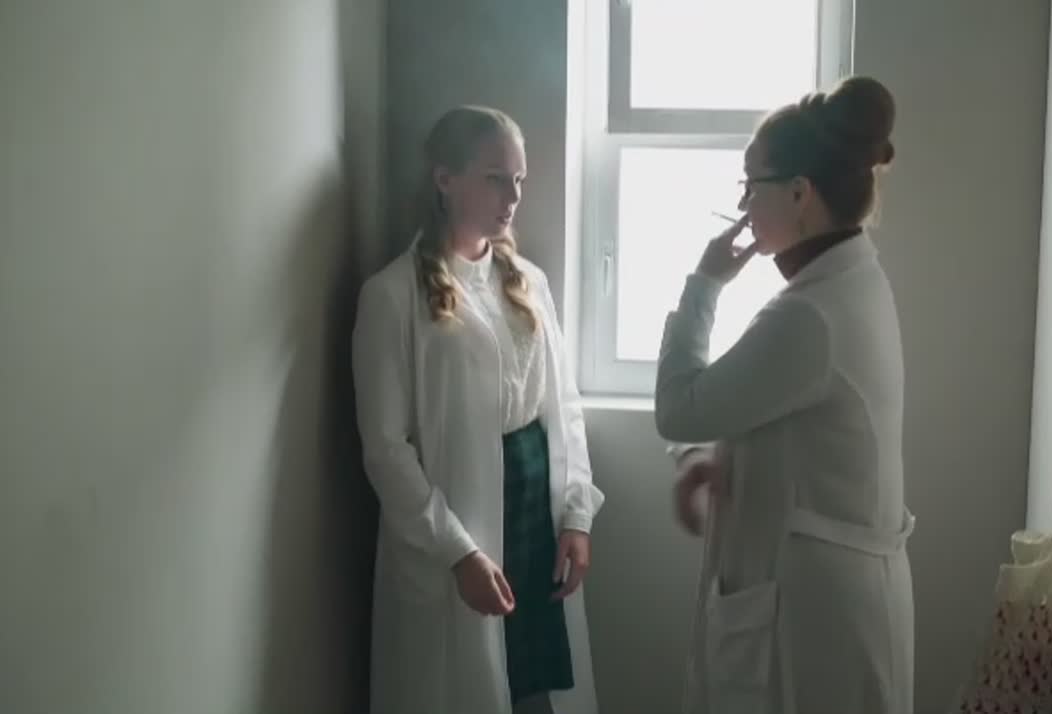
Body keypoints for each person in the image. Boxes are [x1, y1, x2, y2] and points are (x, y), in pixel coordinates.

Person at [654, 76, 915, 714]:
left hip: (813, 611)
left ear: (800, 193)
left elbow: (678, 408)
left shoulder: (810, 314)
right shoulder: (848, 282)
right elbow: (782, 416)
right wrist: (718, 458)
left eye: (752, 185)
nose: (743, 205)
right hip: (831, 589)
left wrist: (704, 285)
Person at [352, 106, 604, 714]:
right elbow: (386, 450)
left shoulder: (529, 282)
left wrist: (576, 515)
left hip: (533, 514)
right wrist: (458, 553)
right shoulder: (391, 297)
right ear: (445, 179)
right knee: (467, 684)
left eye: (519, 180)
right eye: (495, 178)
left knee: (535, 687)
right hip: (455, 529)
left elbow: (563, 407)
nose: (512, 197)